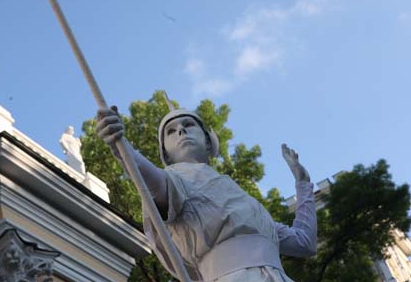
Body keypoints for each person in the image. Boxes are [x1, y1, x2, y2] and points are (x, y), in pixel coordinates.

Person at [97, 106, 317, 282]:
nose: (181, 131)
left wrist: (303, 183)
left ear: (209, 140)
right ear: (165, 152)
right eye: (170, 131)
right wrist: (123, 149)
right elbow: (153, 183)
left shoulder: (250, 208)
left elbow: (304, 243)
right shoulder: (175, 178)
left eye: (188, 124)